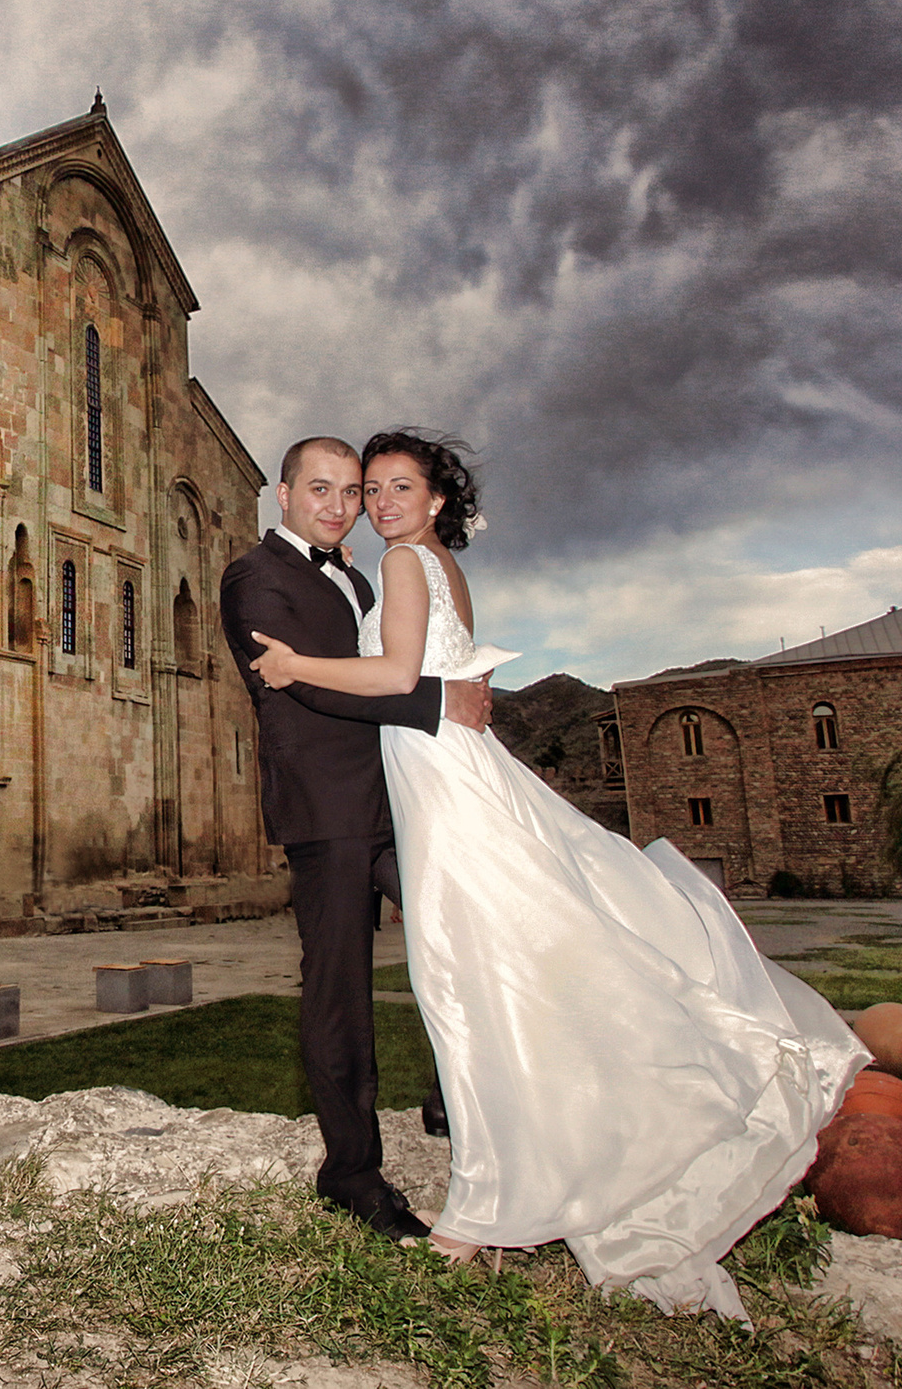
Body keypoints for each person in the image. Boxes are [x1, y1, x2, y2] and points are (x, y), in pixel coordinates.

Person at [248, 430, 869, 1318]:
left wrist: (301, 662)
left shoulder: (405, 568)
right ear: (288, 493)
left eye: (393, 487)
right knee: (512, 955)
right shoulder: (420, 566)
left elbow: (393, 671)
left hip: (440, 782)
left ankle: (487, 1195)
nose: (373, 502)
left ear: (433, 502)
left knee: (471, 974)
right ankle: (510, 1143)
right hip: (427, 777)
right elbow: (433, 675)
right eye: (362, 488)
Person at [218, 436, 493, 1244]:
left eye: (352, 492)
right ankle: (351, 1173)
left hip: (395, 798)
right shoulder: (254, 577)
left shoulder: (360, 575)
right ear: (283, 493)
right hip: (327, 809)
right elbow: (305, 680)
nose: (339, 506)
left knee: (469, 932)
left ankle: (452, 1088)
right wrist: (439, 701)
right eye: (322, 489)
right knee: (340, 991)